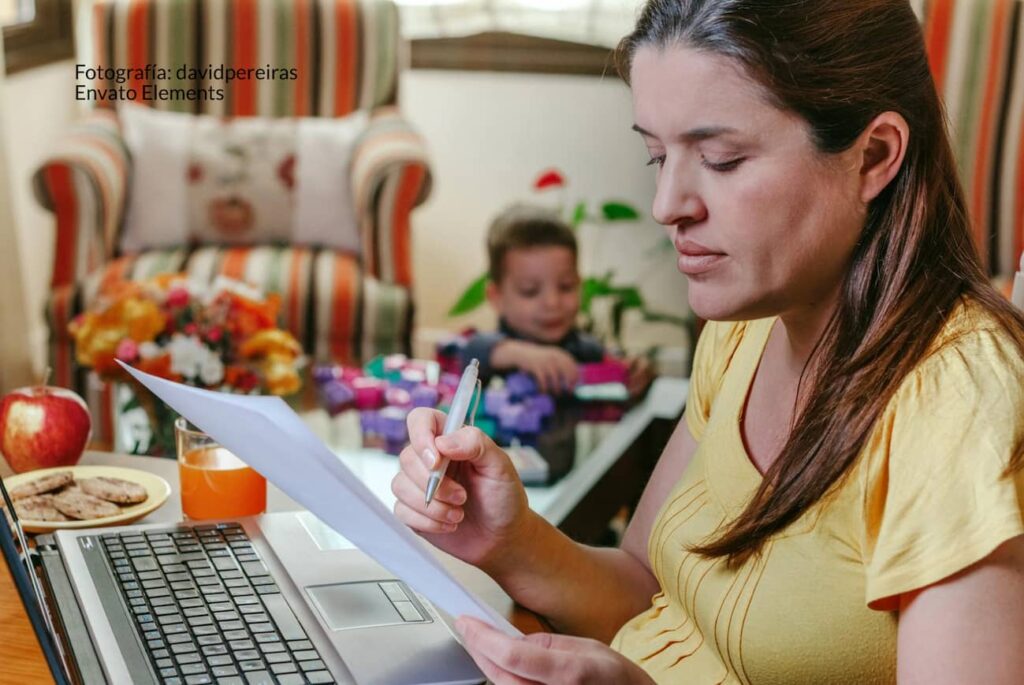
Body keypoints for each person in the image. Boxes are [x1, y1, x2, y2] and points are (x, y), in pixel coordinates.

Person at [392, 0, 1024, 682]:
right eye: (658, 155)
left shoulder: (959, 399)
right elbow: (647, 590)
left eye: (721, 160)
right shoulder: (746, 328)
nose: (667, 204)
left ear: (873, 156)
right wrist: (508, 539)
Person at [460, 203, 653, 396]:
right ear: (496, 297)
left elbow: (616, 368)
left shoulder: (586, 349)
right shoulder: (489, 350)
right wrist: (517, 354)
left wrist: (635, 372)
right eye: (530, 291)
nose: (552, 302)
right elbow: (470, 352)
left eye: (566, 286)